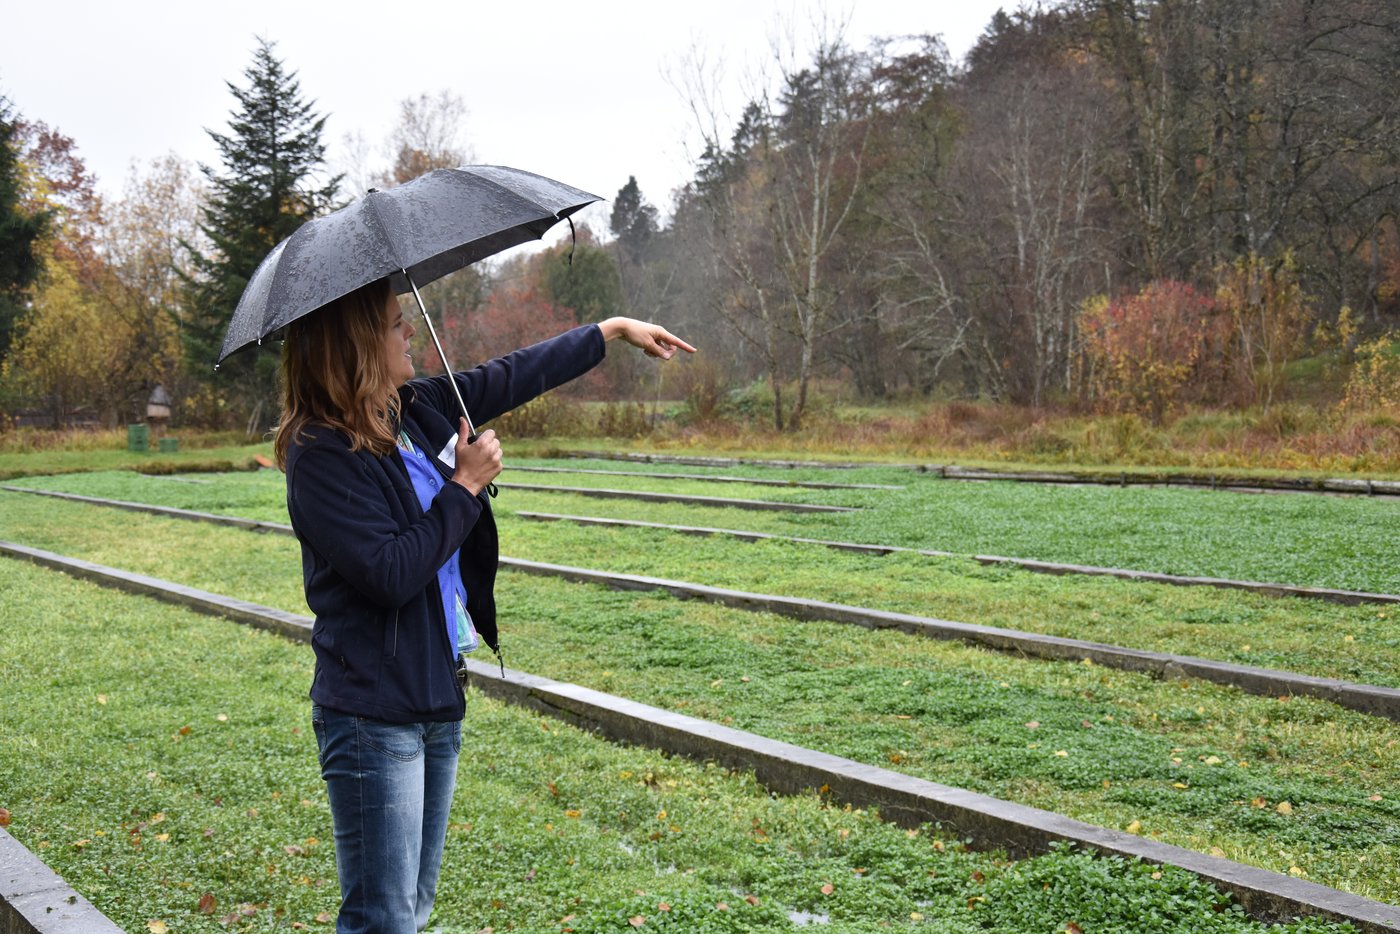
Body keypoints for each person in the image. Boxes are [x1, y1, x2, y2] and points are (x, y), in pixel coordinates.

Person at [273, 277, 694, 933]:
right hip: (372, 713)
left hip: (436, 692)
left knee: (412, 908)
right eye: (392, 324)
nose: (409, 330)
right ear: (355, 345)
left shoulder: (411, 411)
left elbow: (509, 375)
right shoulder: (320, 454)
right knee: (382, 917)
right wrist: (465, 486)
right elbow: (389, 572)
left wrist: (608, 330)